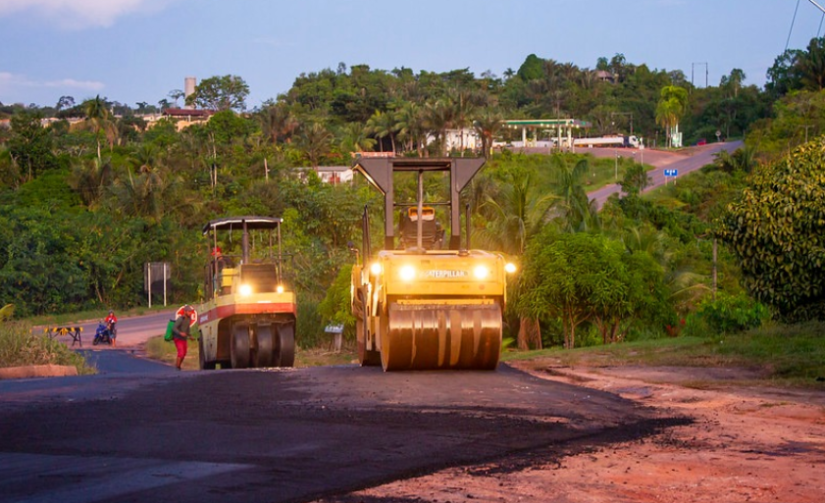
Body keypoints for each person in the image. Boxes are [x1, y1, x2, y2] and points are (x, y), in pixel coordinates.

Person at [172, 305, 195, 370]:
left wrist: (190, 336)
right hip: (178, 338)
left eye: (191, 312)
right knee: (181, 352)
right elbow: (174, 328)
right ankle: (177, 367)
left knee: (184, 353)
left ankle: (179, 366)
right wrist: (180, 333)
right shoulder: (180, 319)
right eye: (189, 312)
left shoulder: (189, 319)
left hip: (184, 339)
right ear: (185, 312)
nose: (190, 313)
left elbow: (187, 328)